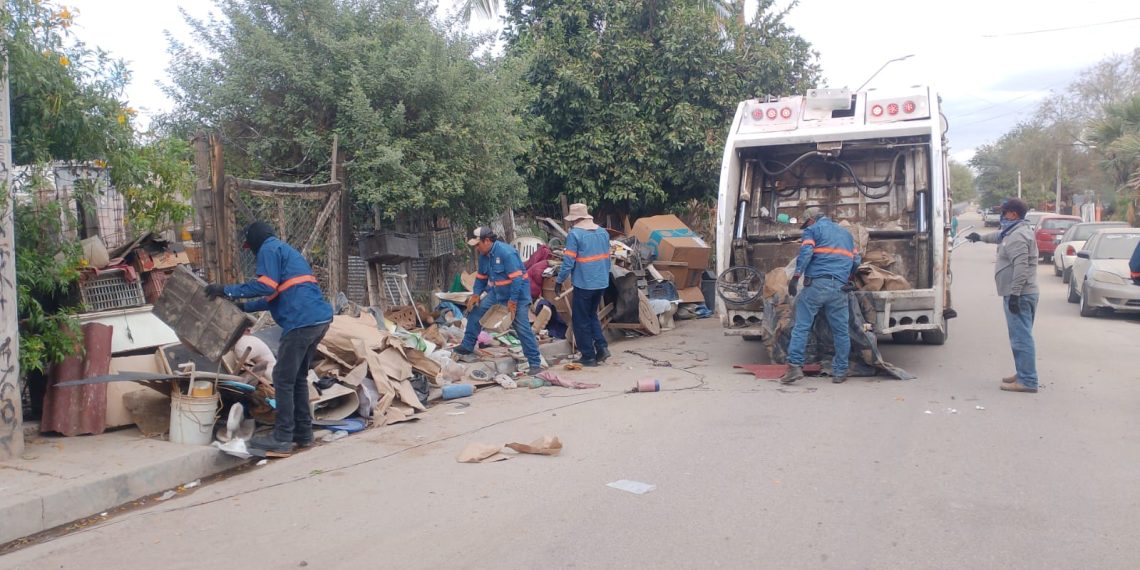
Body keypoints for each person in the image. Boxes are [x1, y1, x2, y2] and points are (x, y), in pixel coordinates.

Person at [204, 222, 333, 456]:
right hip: (318, 320)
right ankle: (303, 434)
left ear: (254, 241)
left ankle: (282, 438)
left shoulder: (268, 249)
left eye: (249, 247)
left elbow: (265, 286)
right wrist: (243, 305)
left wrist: (226, 290)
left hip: (300, 321)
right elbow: (271, 296)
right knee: (297, 378)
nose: (251, 252)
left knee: (283, 378)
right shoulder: (286, 253)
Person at [965, 198, 1039, 393]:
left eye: (1004, 212)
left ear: (1013, 214)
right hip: (1022, 293)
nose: (1002, 216)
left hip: (1020, 295)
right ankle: (1023, 372)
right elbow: (998, 236)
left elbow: (1021, 267)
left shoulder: (1018, 236)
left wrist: (1015, 295)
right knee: (1020, 335)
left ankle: (1028, 380)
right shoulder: (1013, 231)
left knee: (1021, 338)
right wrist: (979, 237)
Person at [780, 207, 861, 385]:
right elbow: (856, 260)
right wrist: (849, 278)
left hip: (816, 286)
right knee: (840, 331)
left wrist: (795, 277)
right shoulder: (846, 234)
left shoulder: (812, 230)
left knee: (802, 326)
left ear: (811, 220)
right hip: (840, 288)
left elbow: (807, 252)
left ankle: (794, 367)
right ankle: (840, 372)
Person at [453, 227, 544, 372]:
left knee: (522, 327)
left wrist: (513, 301)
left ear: (487, 241)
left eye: (478, 244)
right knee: (476, 311)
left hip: (518, 295)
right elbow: (481, 277)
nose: (477, 248)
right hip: (498, 293)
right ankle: (467, 345)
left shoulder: (507, 253)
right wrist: (476, 294)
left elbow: (517, 280)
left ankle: (535, 363)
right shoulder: (484, 255)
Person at [555, 203, 612, 366]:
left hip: (584, 283)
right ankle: (601, 347)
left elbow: (568, 262)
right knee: (592, 315)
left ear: (575, 219)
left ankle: (588, 355)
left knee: (581, 320)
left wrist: (559, 281)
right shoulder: (603, 232)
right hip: (601, 282)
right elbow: (608, 258)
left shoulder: (575, 234)